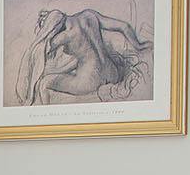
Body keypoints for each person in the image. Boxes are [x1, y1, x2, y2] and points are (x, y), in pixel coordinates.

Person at [16, 6, 152, 105]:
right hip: (112, 73)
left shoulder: (61, 37)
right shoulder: (89, 15)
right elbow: (124, 26)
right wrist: (139, 46)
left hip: (90, 80)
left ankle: (45, 123)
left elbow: (38, 60)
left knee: (44, 83)